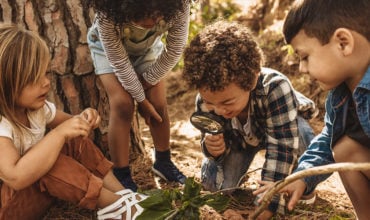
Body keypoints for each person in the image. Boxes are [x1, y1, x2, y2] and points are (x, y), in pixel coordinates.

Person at [0, 24, 147, 220]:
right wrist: (58, 134)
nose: (46, 82)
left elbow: (74, 127)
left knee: (73, 138)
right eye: (34, 78)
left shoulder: (37, 110)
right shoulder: (2, 125)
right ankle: (114, 207)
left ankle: (123, 196)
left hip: (37, 194)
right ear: (6, 83)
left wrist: (85, 118)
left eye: (46, 73)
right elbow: (16, 177)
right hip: (8, 208)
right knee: (51, 160)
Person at [182, 20, 317, 219]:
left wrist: (262, 210)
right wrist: (212, 150)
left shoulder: (275, 88)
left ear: (252, 80)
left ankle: (305, 186)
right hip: (239, 142)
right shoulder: (207, 98)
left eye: (227, 102)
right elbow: (211, 143)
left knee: (303, 136)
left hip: (281, 133)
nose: (218, 110)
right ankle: (240, 172)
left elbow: (281, 148)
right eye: (211, 103)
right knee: (214, 187)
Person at [271, 0, 370, 219]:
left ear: (343, 43)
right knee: (345, 149)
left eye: (305, 56)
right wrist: (302, 177)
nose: (301, 68)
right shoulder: (339, 96)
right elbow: (328, 138)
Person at [86, 0, 190, 191]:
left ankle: (163, 162)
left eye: (156, 13)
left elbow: (174, 50)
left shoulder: (179, 5)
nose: (151, 21)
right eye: (142, 15)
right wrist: (140, 99)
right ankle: (121, 173)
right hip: (108, 53)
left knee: (158, 103)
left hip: (147, 51)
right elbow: (118, 62)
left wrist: (145, 87)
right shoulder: (107, 15)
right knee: (123, 105)